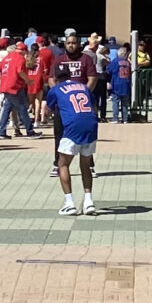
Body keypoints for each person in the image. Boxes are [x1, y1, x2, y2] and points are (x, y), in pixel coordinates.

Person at [52, 55, 101, 217]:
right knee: (85, 165)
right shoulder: (83, 86)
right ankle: (88, 202)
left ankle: (69, 203)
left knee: (62, 164)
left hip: (72, 127)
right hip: (91, 124)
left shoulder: (56, 89)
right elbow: (93, 105)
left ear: (56, 78)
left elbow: (50, 108)